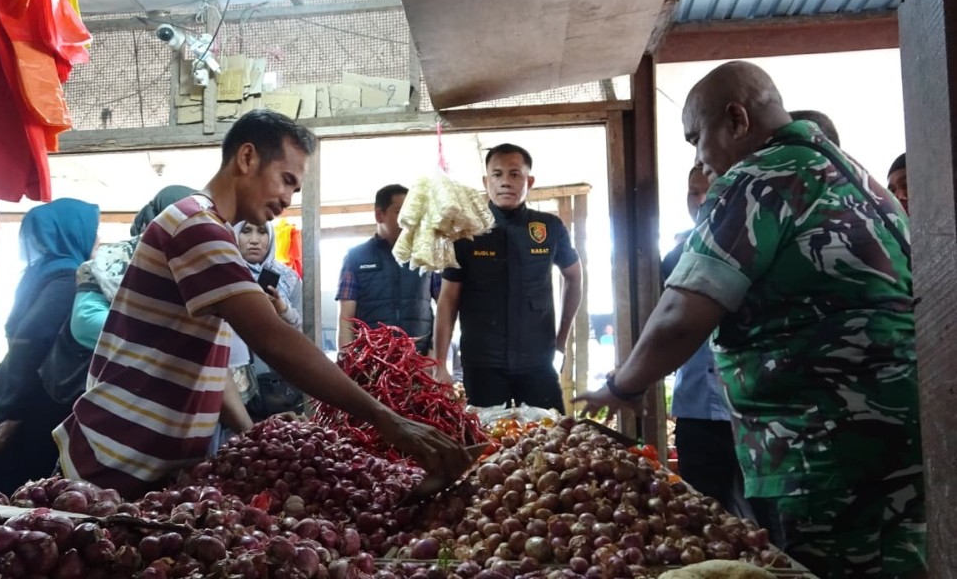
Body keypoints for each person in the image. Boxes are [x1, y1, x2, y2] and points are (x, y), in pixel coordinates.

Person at [574, 61, 923, 578]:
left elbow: (679, 317)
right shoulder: (861, 180)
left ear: (736, 120)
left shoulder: (758, 179)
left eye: (697, 138)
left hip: (824, 452)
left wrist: (621, 387)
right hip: (903, 438)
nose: (699, 157)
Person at [53, 110, 470, 499]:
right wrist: (386, 419)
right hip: (113, 461)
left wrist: (252, 433)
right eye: (286, 179)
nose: (289, 197)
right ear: (248, 158)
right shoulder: (196, 226)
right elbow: (273, 339)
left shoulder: (209, 230)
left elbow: (205, 366)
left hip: (148, 464)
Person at [0, 198, 100, 502]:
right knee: (13, 506)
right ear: (73, 233)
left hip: (12, 394)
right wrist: (12, 414)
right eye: (93, 229)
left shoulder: (37, 274)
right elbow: (32, 339)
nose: (97, 238)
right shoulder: (67, 280)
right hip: (28, 406)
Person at [434, 143, 583, 412]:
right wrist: (440, 364)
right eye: (497, 174)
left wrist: (560, 342)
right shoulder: (465, 232)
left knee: (551, 439)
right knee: (488, 443)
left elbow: (574, 277)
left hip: (538, 361)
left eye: (515, 174)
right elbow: (448, 299)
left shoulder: (548, 227)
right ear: (485, 181)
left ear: (530, 180)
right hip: (482, 363)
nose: (505, 182)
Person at [38, 186, 197, 407]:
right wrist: (165, 336)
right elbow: (87, 322)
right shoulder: (110, 261)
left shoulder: (198, 266)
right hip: (112, 393)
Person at [660, 165, 744, 518]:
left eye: (711, 190)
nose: (702, 200)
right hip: (695, 410)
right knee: (702, 516)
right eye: (694, 192)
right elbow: (665, 328)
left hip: (748, 411)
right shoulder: (674, 260)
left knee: (764, 521)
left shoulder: (758, 245)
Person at [336, 184, 440, 355]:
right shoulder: (355, 257)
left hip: (419, 361)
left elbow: (446, 307)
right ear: (379, 215)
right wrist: (347, 358)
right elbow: (346, 318)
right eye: (400, 212)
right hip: (371, 362)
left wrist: (434, 354)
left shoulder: (427, 256)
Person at [228, 220, 305, 421]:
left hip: (279, 378)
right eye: (246, 231)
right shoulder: (224, 275)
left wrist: (282, 309)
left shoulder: (288, 278)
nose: (254, 240)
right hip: (233, 379)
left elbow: (303, 329)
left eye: (262, 232)